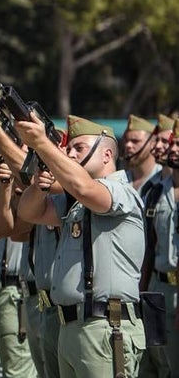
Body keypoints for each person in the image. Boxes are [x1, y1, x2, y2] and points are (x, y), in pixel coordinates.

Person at [15, 114, 146, 378]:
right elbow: (29, 213)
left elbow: (85, 189)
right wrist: (40, 184)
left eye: (79, 148)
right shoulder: (75, 201)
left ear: (107, 154)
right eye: (69, 148)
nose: (70, 153)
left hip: (104, 327)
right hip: (71, 327)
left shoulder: (121, 191)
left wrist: (43, 144)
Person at [137, 114, 176, 378]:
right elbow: (148, 245)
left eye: (176, 144)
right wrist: (141, 292)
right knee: (155, 362)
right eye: (171, 143)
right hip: (157, 287)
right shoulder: (155, 191)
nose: (171, 149)